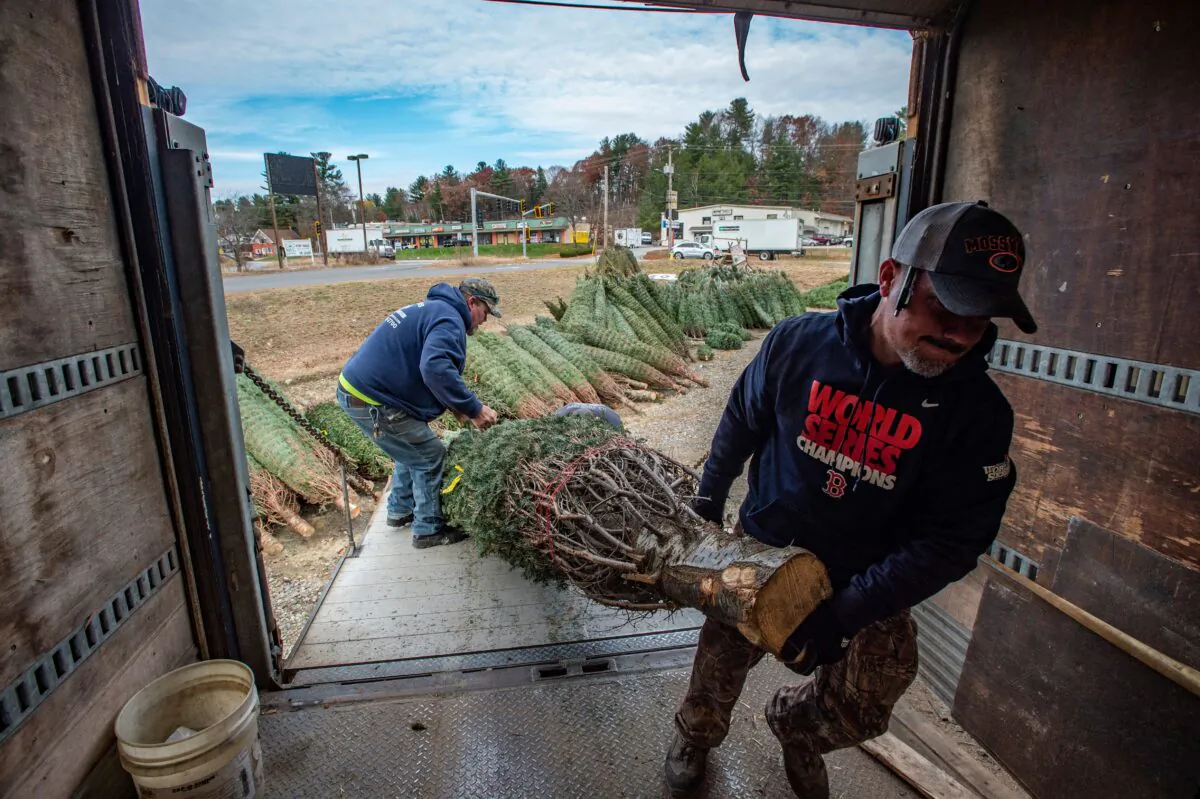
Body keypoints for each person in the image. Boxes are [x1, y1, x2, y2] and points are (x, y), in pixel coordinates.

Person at [665, 201, 1037, 797]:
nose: (960, 336)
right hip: (764, 551)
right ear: (891, 278)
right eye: (944, 308)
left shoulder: (979, 415)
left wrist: (847, 612)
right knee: (718, 664)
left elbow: (953, 540)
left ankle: (799, 729)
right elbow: (742, 419)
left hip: (868, 577)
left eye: (981, 320)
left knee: (872, 695)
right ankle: (696, 735)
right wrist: (708, 501)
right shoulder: (798, 343)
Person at [337, 278, 502, 549]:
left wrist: (456, 406)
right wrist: (474, 409)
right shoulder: (449, 320)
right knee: (429, 455)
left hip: (361, 390)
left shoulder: (436, 309)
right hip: (372, 399)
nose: (485, 321)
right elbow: (436, 368)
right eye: (485, 313)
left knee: (411, 446)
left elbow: (426, 368)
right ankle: (427, 530)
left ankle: (400, 510)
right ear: (472, 302)